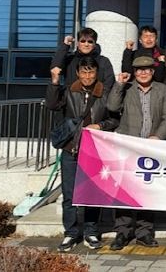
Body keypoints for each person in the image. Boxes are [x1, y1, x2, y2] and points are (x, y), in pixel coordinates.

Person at [45, 56, 119, 253]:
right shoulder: (69, 91)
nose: (87, 76)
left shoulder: (105, 93)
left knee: (92, 193)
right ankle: (70, 233)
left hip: (94, 151)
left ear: (97, 73)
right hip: (71, 149)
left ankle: (91, 232)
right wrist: (54, 81)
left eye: (91, 72)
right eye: (84, 72)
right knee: (69, 194)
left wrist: (100, 125)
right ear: (77, 73)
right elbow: (51, 105)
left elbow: (115, 119)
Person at [106, 56, 166, 251]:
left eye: (147, 70)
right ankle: (123, 231)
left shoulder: (162, 89)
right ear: (134, 72)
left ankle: (145, 232)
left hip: (151, 148)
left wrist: (158, 136)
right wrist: (119, 84)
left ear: (152, 72)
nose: (143, 73)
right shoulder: (127, 89)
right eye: (139, 70)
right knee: (125, 190)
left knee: (146, 190)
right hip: (128, 147)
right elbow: (112, 107)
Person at [50, 27, 115, 91]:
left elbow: (109, 83)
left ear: (95, 44)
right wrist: (65, 45)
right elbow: (55, 68)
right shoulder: (70, 60)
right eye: (83, 41)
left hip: (96, 96)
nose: (86, 44)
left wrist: (99, 95)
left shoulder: (103, 61)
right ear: (77, 43)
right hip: (70, 96)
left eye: (90, 42)